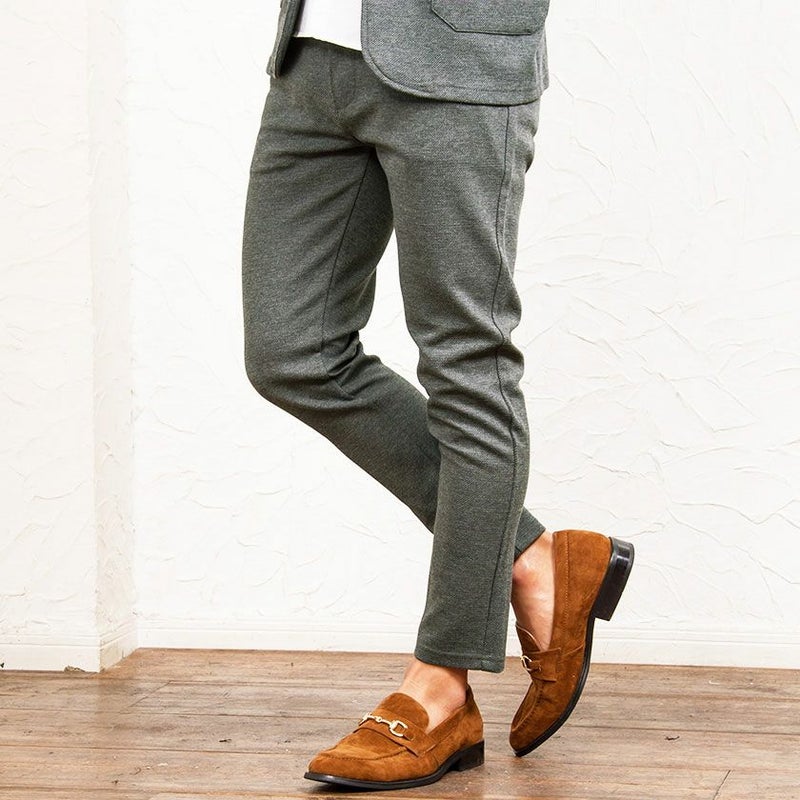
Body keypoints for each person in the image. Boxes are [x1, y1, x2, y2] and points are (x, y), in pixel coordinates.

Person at [241, 0, 635, 790]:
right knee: (292, 352)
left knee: (466, 360)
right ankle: (532, 557)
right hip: (313, 58)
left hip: (458, 61)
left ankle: (442, 684)